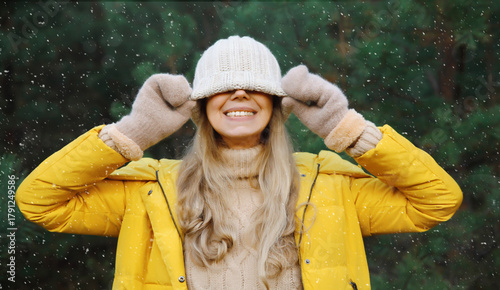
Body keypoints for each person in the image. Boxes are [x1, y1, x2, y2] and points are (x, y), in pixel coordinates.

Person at [16, 36, 462, 290]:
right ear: (203, 106)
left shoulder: (328, 185)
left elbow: (436, 201)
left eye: (254, 87)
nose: (240, 96)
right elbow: (39, 203)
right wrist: (133, 133)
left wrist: (347, 128)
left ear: (275, 104)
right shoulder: (153, 191)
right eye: (224, 89)